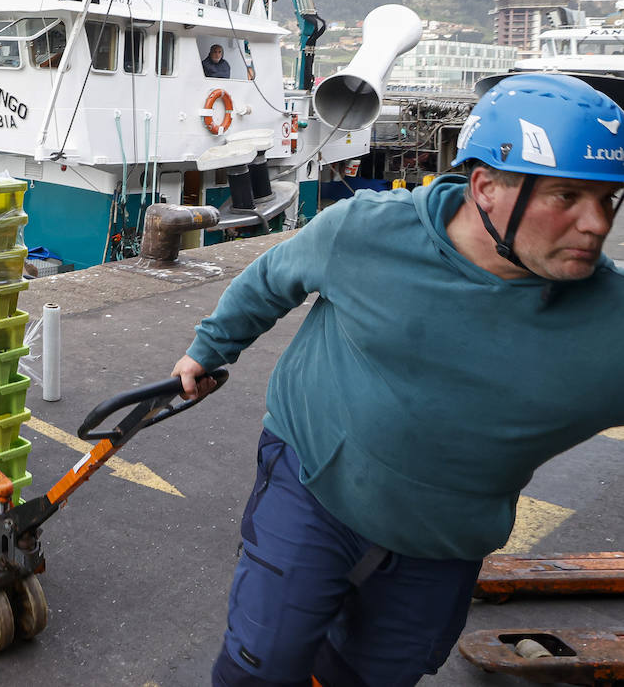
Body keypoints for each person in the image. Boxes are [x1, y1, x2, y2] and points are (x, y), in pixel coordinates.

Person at [171, 73, 624, 686]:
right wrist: (209, 348)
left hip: (444, 541)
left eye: (608, 200)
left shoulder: (610, 319)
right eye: (567, 197)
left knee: (373, 676)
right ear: (486, 187)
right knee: (264, 663)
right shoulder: (366, 231)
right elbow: (273, 276)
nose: (596, 224)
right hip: (313, 485)